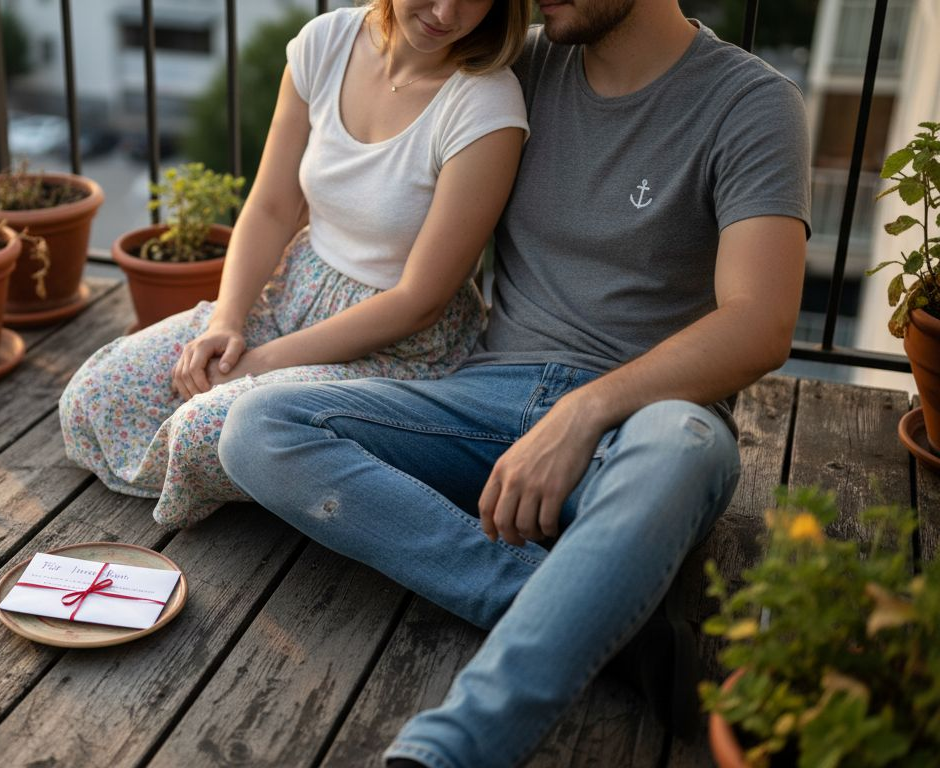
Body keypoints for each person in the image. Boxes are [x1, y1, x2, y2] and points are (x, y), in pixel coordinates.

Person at [217, 0, 810, 765]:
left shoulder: (751, 103)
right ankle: (564, 599)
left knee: (686, 443)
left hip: (642, 424)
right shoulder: (512, 68)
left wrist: (587, 410)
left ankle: (449, 751)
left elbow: (760, 324)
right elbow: (370, 129)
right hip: (484, 401)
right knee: (258, 428)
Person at [60, 0, 532, 527]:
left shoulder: (485, 104)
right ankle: (280, 478)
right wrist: (227, 321)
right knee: (94, 396)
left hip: (397, 344)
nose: (447, 12)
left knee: (203, 428)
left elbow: (418, 302)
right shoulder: (325, 43)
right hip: (292, 292)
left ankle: (287, 470)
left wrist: (260, 364)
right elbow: (271, 206)